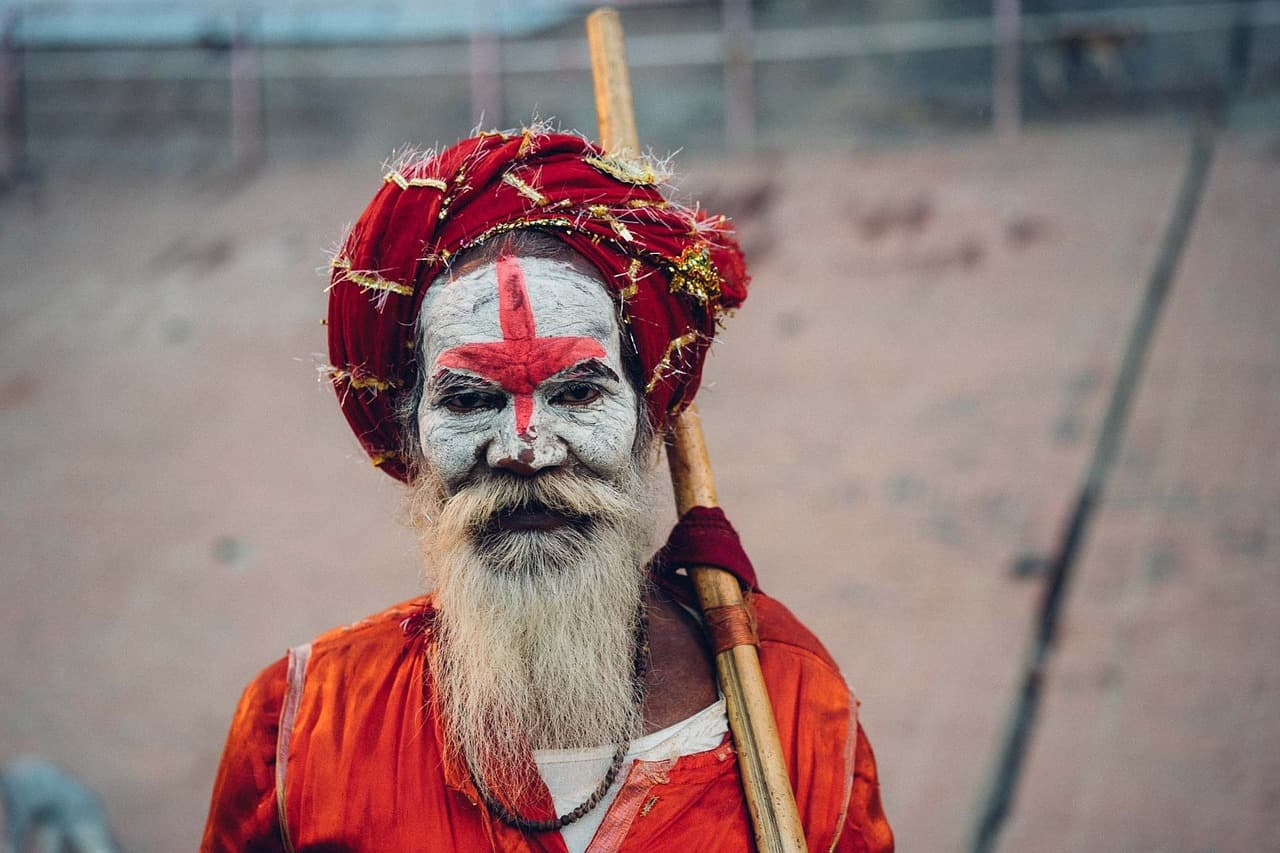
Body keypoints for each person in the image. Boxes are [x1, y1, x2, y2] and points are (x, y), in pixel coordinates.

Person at [201, 127, 893, 852]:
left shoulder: (792, 703)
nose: (526, 448)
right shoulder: (304, 728)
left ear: (648, 419)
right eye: (469, 401)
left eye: (578, 392)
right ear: (411, 434)